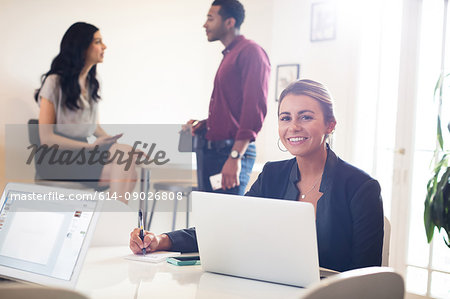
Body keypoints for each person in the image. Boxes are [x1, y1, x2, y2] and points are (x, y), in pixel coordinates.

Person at [130, 79, 384, 272]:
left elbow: (367, 280)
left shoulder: (361, 188)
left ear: (330, 125)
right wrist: (161, 240)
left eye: (306, 117)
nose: (293, 127)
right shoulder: (272, 175)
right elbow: (227, 227)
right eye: (286, 118)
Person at [34, 22, 137, 199]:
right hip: (56, 157)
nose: (104, 46)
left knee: (127, 158)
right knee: (126, 173)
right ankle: (116, 222)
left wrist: (115, 143)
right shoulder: (54, 82)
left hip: (83, 154)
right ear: (81, 47)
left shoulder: (91, 84)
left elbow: (94, 128)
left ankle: (112, 219)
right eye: (98, 42)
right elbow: (46, 138)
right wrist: (90, 147)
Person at [187, 0, 271, 195]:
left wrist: (235, 157)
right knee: (209, 220)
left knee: (227, 221)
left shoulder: (251, 52)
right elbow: (232, 108)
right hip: (214, 152)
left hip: (231, 153)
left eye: (210, 18)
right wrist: (207, 123)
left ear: (229, 22)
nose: (205, 24)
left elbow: (253, 108)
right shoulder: (230, 55)